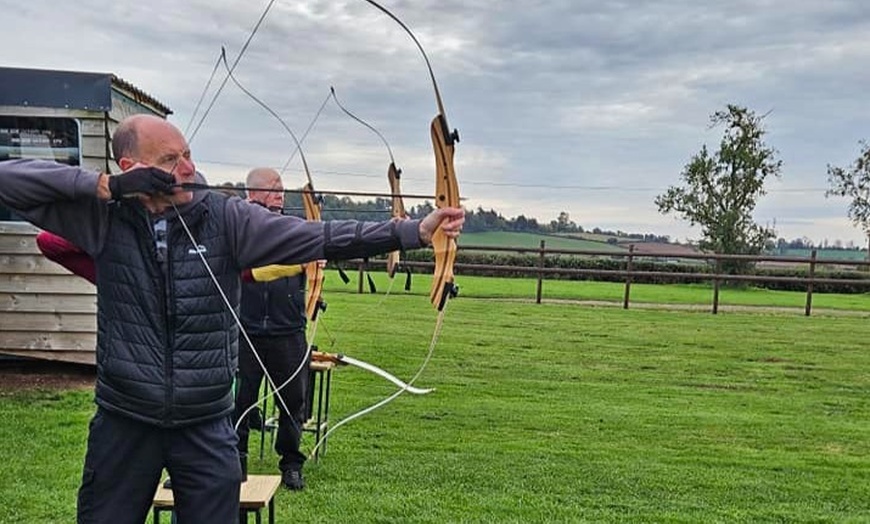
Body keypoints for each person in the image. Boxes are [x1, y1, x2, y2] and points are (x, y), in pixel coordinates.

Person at [0, 113, 464, 524]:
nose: (186, 168)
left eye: (188, 155)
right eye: (169, 160)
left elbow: (319, 235)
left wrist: (412, 231)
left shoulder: (226, 218)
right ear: (131, 169)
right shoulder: (103, 217)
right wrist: (105, 188)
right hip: (125, 420)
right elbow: (9, 181)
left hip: (205, 423)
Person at [233, 167, 311, 491]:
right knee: (238, 403)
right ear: (251, 194)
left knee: (293, 401)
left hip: (288, 330)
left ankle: (291, 463)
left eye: (281, 189)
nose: (280, 194)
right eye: (272, 188)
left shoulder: (294, 228)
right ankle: (234, 463)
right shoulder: (238, 229)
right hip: (245, 329)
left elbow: (319, 251)